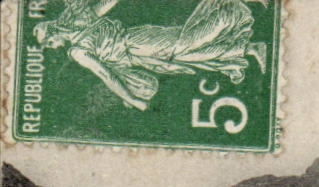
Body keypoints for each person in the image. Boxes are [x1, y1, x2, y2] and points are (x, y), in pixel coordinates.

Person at [33, 0, 267, 111]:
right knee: (188, 56)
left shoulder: (77, 51)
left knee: (186, 46)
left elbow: (107, 76)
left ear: (54, 35)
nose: (53, 48)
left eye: (49, 44)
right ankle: (251, 49)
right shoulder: (84, 24)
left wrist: (134, 100)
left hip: (137, 45)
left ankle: (230, 8)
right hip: (139, 49)